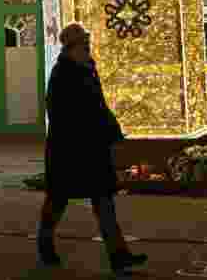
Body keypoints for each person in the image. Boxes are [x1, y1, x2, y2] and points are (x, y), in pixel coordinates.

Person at [37, 22, 147, 274]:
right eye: (84, 43)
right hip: (69, 152)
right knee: (57, 201)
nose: (88, 47)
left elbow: (99, 107)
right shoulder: (62, 75)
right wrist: (90, 133)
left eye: (88, 43)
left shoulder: (87, 69)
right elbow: (60, 114)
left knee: (104, 202)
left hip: (92, 151)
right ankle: (45, 243)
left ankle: (119, 256)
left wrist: (113, 132)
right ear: (71, 47)